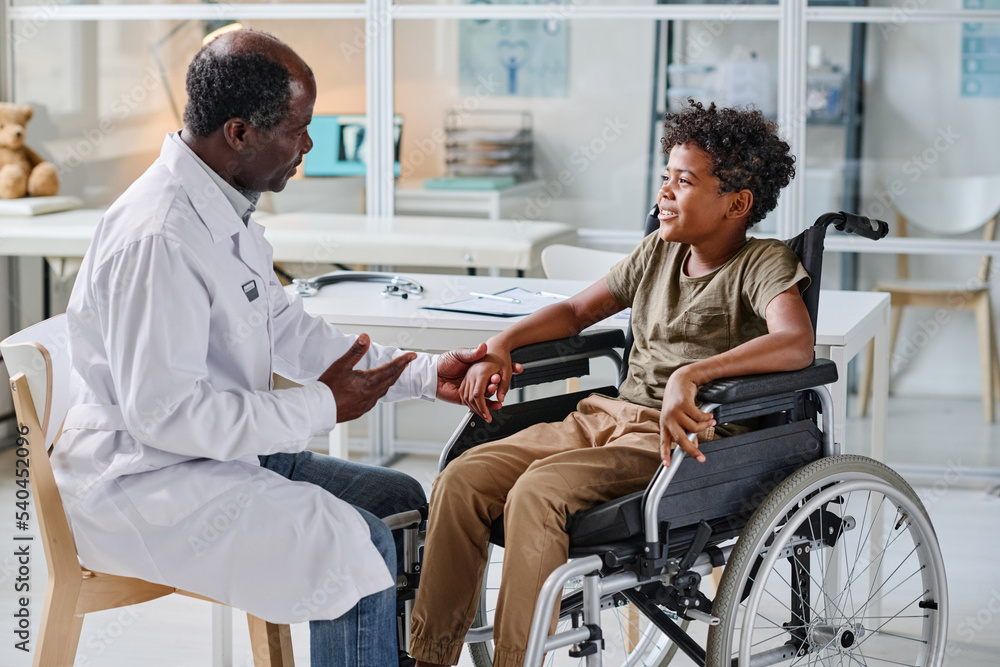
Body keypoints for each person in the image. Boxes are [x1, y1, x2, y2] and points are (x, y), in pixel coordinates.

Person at [54, 29, 500, 666]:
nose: (309, 145)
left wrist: (428, 374)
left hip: (215, 460)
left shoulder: (222, 209)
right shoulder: (160, 237)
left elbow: (292, 334)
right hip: (143, 486)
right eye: (299, 128)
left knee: (400, 502)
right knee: (354, 545)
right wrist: (323, 407)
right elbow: (167, 416)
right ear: (239, 132)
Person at [408, 101, 814, 667]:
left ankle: (516, 660)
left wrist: (693, 376)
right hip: (605, 417)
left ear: (737, 204)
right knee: (463, 477)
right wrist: (504, 344)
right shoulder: (657, 251)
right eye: (666, 176)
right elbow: (575, 311)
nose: (665, 191)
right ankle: (429, 655)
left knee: (538, 491)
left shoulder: (762, 262)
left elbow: (795, 342)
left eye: (685, 181)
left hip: (678, 442)